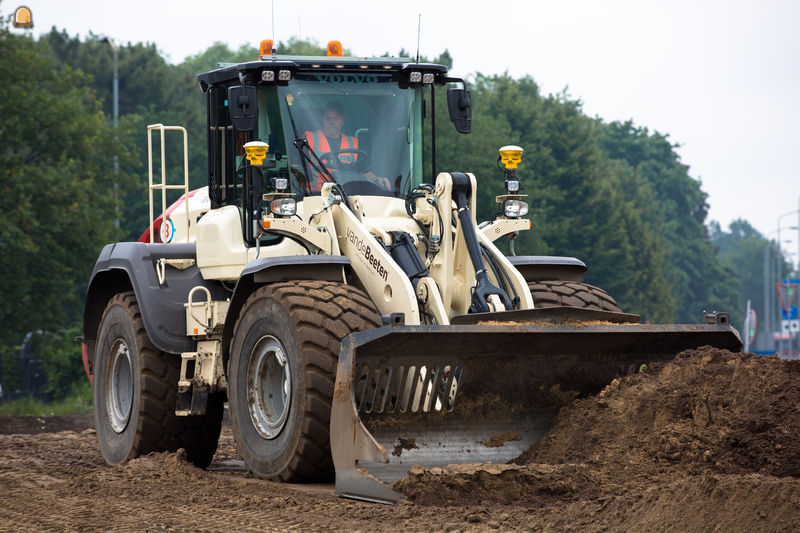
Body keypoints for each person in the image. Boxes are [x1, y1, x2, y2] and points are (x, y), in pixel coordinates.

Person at [303, 102, 390, 191]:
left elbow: (362, 171)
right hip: (317, 195)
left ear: (343, 121)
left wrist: (377, 179)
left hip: (348, 194)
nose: (332, 122)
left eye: (336, 118)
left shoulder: (352, 143)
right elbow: (297, 168)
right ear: (323, 120)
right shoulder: (309, 139)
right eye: (328, 118)